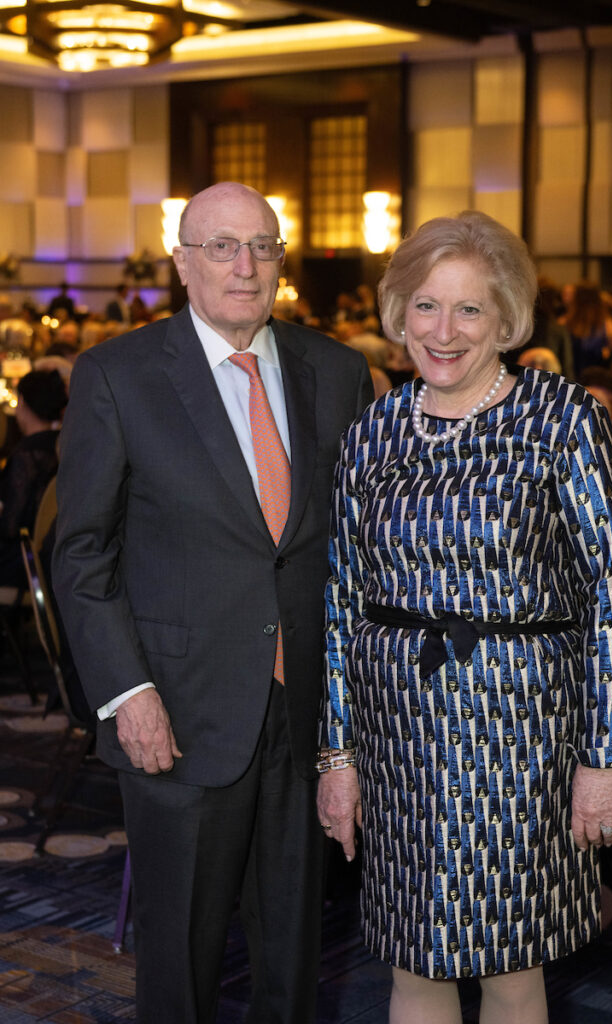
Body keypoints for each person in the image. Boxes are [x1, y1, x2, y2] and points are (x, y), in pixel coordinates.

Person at [52, 181, 373, 1024]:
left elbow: (351, 551)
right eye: (222, 247)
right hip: (176, 715)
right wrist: (128, 694)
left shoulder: (335, 372)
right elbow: (82, 553)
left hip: (302, 715)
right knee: (182, 963)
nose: (245, 265)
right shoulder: (119, 375)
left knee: (293, 952)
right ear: (184, 264)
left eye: (262, 247)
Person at [317, 211, 612, 1024]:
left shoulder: (562, 418)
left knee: (508, 963)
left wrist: (604, 757)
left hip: (519, 733)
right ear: (398, 314)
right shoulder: (374, 430)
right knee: (411, 958)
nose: (444, 330)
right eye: (425, 305)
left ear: (506, 318)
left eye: (468, 309)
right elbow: (341, 601)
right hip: (397, 733)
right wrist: (336, 755)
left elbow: (611, 593)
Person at [0, 370, 67, 586]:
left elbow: (11, 526)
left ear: (23, 404)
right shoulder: (62, 444)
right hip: (49, 559)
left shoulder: (27, 454)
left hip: (24, 562)